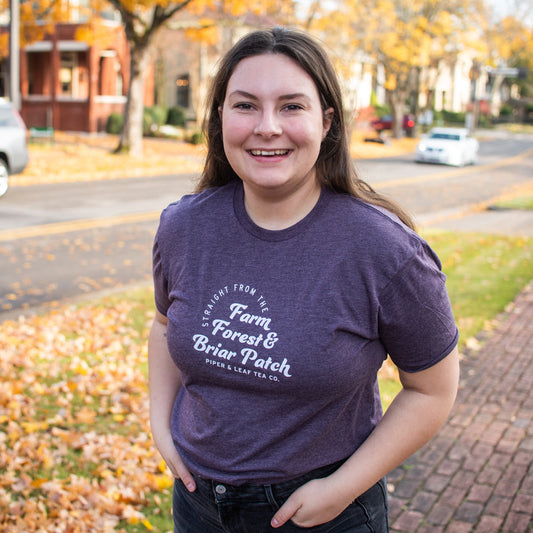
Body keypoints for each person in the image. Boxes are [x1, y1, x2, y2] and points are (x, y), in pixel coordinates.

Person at [148, 27, 459, 533]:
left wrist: (340, 490)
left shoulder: (385, 249)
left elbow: (432, 390)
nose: (267, 127)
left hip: (323, 511)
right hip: (197, 504)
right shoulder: (183, 227)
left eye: (292, 106)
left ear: (327, 121)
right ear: (220, 118)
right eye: (245, 105)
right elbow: (164, 325)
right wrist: (162, 428)